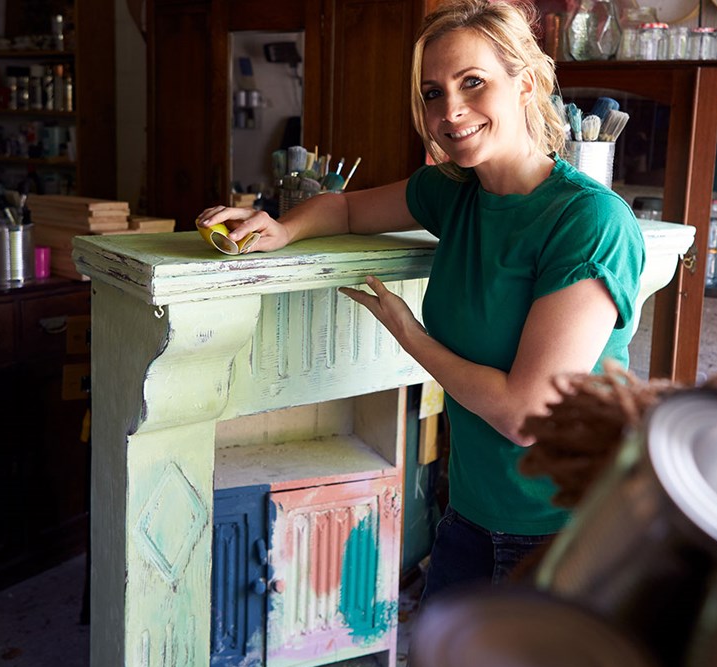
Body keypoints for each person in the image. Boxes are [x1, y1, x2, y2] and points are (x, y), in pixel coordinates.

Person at [196, 0, 644, 603]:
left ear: (526, 83)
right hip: (469, 516)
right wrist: (278, 227)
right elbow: (348, 206)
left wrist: (409, 335)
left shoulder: (588, 220)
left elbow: (524, 417)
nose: (450, 111)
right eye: (434, 93)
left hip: (567, 536)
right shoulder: (455, 192)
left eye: (473, 83)